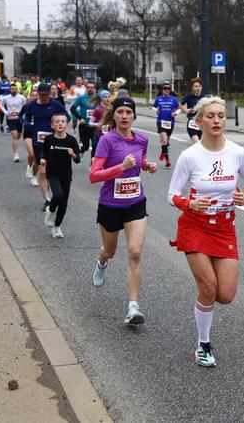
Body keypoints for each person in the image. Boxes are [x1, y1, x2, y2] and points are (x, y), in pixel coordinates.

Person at [168, 95, 244, 367]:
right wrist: (189, 203)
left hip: (224, 228)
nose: (217, 120)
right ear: (199, 122)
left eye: (221, 115)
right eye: (210, 116)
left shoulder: (237, 152)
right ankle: (203, 344)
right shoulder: (190, 156)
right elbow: (172, 194)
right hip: (194, 226)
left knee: (226, 295)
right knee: (208, 287)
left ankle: (204, 313)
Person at [89, 97, 157, 326]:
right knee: (110, 250)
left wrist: (146, 166)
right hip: (110, 205)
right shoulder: (106, 141)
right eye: (120, 112)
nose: (125, 116)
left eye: (129, 112)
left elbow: (141, 159)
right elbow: (93, 175)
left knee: (135, 252)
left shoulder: (142, 139)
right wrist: (121, 168)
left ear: (134, 115)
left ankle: (133, 308)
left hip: (135, 204)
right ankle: (101, 261)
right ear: (114, 115)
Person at [22, 83, 70, 209]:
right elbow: (26, 118)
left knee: (52, 169)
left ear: (50, 93)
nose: (44, 97)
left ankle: (57, 193)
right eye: (41, 94)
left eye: (46, 94)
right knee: (43, 169)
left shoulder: (55, 104)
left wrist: (59, 124)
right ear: (38, 93)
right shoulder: (32, 105)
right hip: (38, 142)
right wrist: (28, 124)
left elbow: (67, 117)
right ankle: (47, 199)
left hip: (54, 141)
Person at [41, 112, 81, 238]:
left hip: (66, 175)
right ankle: (51, 210)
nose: (60, 123)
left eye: (63, 121)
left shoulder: (71, 140)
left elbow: (78, 159)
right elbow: (44, 152)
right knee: (58, 195)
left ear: (67, 124)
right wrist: (43, 159)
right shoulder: (49, 139)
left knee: (64, 203)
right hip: (52, 174)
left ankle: (57, 227)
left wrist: (73, 155)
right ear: (52, 125)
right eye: (57, 121)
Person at [152, 82, 180, 167]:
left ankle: (163, 151)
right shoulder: (158, 99)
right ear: (162, 90)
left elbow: (178, 109)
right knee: (164, 140)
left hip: (170, 122)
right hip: (161, 121)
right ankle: (167, 160)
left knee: (166, 142)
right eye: (165, 89)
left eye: (168, 89)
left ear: (169, 90)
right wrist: (156, 110)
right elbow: (153, 106)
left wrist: (175, 114)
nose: (166, 90)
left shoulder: (173, 99)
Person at [0, 83, 27, 162]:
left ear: (17, 89)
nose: (14, 90)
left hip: (19, 119)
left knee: (18, 137)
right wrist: (6, 112)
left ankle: (14, 146)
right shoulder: (6, 98)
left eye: (15, 89)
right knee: (15, 136)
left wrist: (23, 113)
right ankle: (16, 155)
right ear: (10, 89)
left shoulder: (22, 97)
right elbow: (1, 105)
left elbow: (25, 106)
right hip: (11, 119)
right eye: (12, 89)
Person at [70, 82, 97, 158]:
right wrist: (80, 118)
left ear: (94, 89)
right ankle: (81, 152)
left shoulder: (98, 99)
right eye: (88, 87)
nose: (90, 89)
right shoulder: (81, 98)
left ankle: (92, 165)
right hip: (84, 126)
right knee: (86, 146)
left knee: (95, 146)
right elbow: (72, 109)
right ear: (86, 88)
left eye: (92, 87)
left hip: (94, 126)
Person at [21, 89, 40, 184]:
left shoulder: (42, 107)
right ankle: (29, 166)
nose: (35, 97)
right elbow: (20, 116)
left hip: (39, 134)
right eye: (33, 95)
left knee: (37, 158)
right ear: (30, 96)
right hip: (28, 133)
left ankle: (33, 176)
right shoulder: (26, 106)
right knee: (32, 153)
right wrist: (25, 123)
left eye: (37, 95)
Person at [89, 90, 112, 161]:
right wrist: (98, 124)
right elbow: (90, 123)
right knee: (96, 150)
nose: (107, 99)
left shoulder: (112, 109)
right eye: (105, 97)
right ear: (101, 98)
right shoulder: (98, 110)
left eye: (109, 97)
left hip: (110, 134)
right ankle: (92, 164)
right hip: (99, 135)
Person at [179, 77, 204, 143]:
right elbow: (180, 105)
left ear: (201, 87)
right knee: (197, 144)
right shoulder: (189, 96)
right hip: (192, 123)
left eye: (199, 86)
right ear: (192, 88)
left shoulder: (204, 98)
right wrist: (186, 110)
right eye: (196, 86)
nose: (198, 88)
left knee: (199, 145)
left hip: (201, 123)